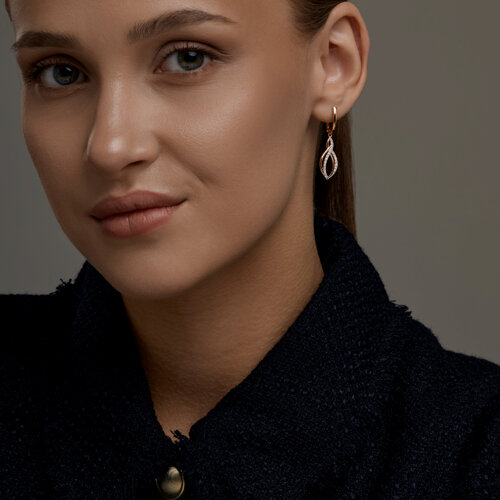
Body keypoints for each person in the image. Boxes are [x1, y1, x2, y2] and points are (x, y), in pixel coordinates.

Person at [1, 0, 499, 498]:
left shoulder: (478, 452)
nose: (110, 147)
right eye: (60, 73)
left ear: (333, 63)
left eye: (188, 58)